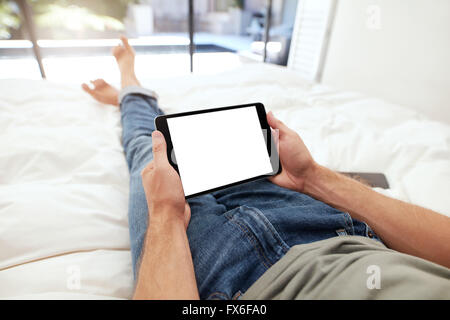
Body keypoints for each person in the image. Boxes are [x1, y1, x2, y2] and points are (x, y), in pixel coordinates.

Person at [82, 37, 450, 300]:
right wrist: (313, 177)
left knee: (147, 147)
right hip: (337, 231)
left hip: (228, 276)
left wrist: (164, 214)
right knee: (188, 146)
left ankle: (130, 87)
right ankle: (136, 94)